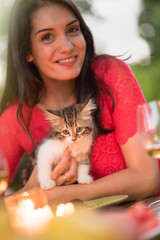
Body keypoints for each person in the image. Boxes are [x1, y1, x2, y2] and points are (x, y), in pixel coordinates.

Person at [0, 0, 159, 204]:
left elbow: (148, 178)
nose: (67, 46)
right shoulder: (15, 118)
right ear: (26, 52)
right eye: (47, 37)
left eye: (73, 30)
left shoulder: (111, 74)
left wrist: (63, 194)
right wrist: (31, 189)